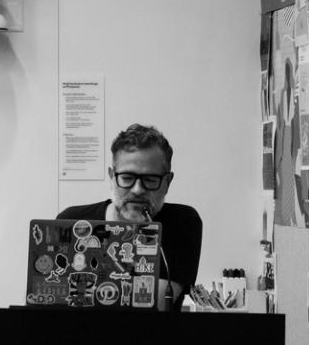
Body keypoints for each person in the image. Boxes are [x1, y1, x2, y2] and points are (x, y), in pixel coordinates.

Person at [57, 123, 203, 311]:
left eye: (150, 180)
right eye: (127, 178)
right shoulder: (72, 221)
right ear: (112, 176)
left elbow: (150, 305)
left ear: (167, 182)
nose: (137, 189)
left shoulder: (182, 222)